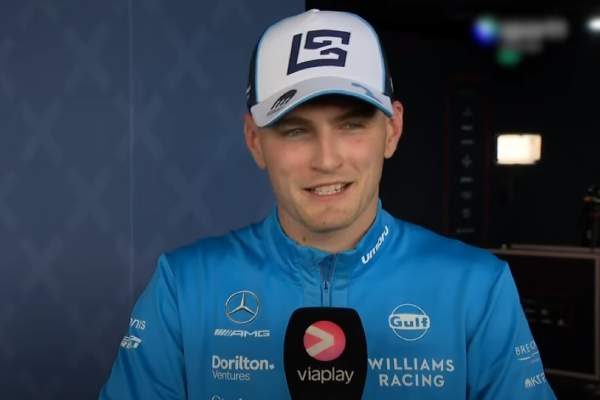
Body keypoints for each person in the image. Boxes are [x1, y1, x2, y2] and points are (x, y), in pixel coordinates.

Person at [99, 9, 556, 399]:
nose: (327, 159)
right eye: (296, 130)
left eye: (352, 125)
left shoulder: (477, 288)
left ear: (392, 131)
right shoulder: (184, 286)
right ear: (255, 141)